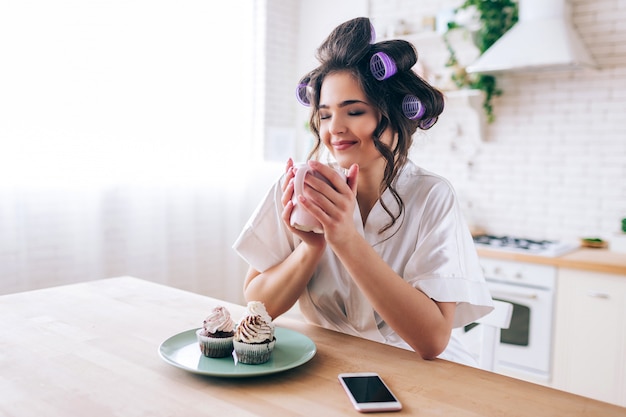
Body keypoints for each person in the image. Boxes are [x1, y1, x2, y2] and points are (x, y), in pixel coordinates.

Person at [233, 17, 493, 364]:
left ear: (397, 115)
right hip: (325, 364)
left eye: (354, 111)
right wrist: (310, 248)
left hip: (417, 375)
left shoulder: (431, 196)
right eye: (324, 116)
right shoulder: (301, 186)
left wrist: (346, 239)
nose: (335, 129)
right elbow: (257, 307)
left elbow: (432, 341)